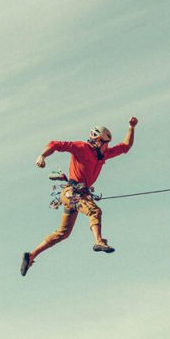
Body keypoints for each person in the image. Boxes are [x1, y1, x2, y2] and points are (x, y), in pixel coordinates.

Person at [21, 116, 136, 275]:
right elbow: (55, 144)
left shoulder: (102, 155)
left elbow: (125, 146)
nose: (107, 147)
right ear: (97, 140)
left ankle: (31, 255)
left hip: (79, 195)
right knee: (94, 211)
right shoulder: (81, 147)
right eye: (105, 143)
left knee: (63, 233)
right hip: (71, 192)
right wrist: (42, 156)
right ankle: (98, 241)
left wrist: (131, 128)